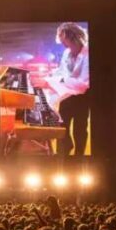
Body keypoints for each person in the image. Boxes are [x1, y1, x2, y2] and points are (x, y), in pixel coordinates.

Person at [48, 22, 90, 157]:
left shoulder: (88, 54)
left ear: (74, 38)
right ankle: (63, 152)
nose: (63, 45)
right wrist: (50, 77)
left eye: (64, 41)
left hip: (82, 97)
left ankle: (79, 156)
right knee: (62, 124)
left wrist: (58, 81)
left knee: (80, 128)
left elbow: (83, 84)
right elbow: (61, 71)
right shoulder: (67, 52)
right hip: (67, 94)